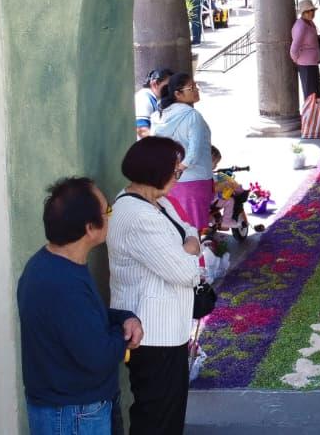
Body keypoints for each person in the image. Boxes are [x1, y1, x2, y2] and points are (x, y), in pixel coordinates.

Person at [18, 177, 143, 435]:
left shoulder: (54, 263)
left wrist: (124, 318)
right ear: (89, 228)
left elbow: (86, 319)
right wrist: (125, 338)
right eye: (107, 210)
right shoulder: (60, 283)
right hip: (73, 415)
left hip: (77, 408)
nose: (111, 215)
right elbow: (97, 354)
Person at [109, 136, 204, 435]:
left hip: (168, 331)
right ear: (155, 171)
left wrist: (188, 246)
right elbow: (186, 272)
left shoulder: (157, 203)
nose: (178, 177)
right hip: (152, 335)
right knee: (156, 418)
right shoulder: (136, 215)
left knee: (170, 414)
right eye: (176, 172)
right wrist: (189, 249)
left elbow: (191, 230)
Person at [151, 73, 214, 231]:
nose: (196, 90)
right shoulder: (192, 116)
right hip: (195, 181)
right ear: (178, 94)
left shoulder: (158, 117)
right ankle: (197, 256)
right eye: (191, 88)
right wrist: (180, 169)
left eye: (196, 86)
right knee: (195, 230)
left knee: (176, 230)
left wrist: (170, 173)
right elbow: (194, 152)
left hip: (169, 183)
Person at [290, 0, 320, 101]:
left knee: (317, 92)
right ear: (303, 13)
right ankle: (310, 116)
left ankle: (318, 115)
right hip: (306, 65)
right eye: (309, 11)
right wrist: (297, 60)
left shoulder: (310, 23)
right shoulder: (300, 26)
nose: (312, 13)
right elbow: (294, 49)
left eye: (313, 10)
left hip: (313, 63)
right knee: (310, 94)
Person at [135, 68, 173, 139]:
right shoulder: (144, 98)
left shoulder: (155, 99)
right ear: (155, 84)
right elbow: (142, 130)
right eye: (168, 86)